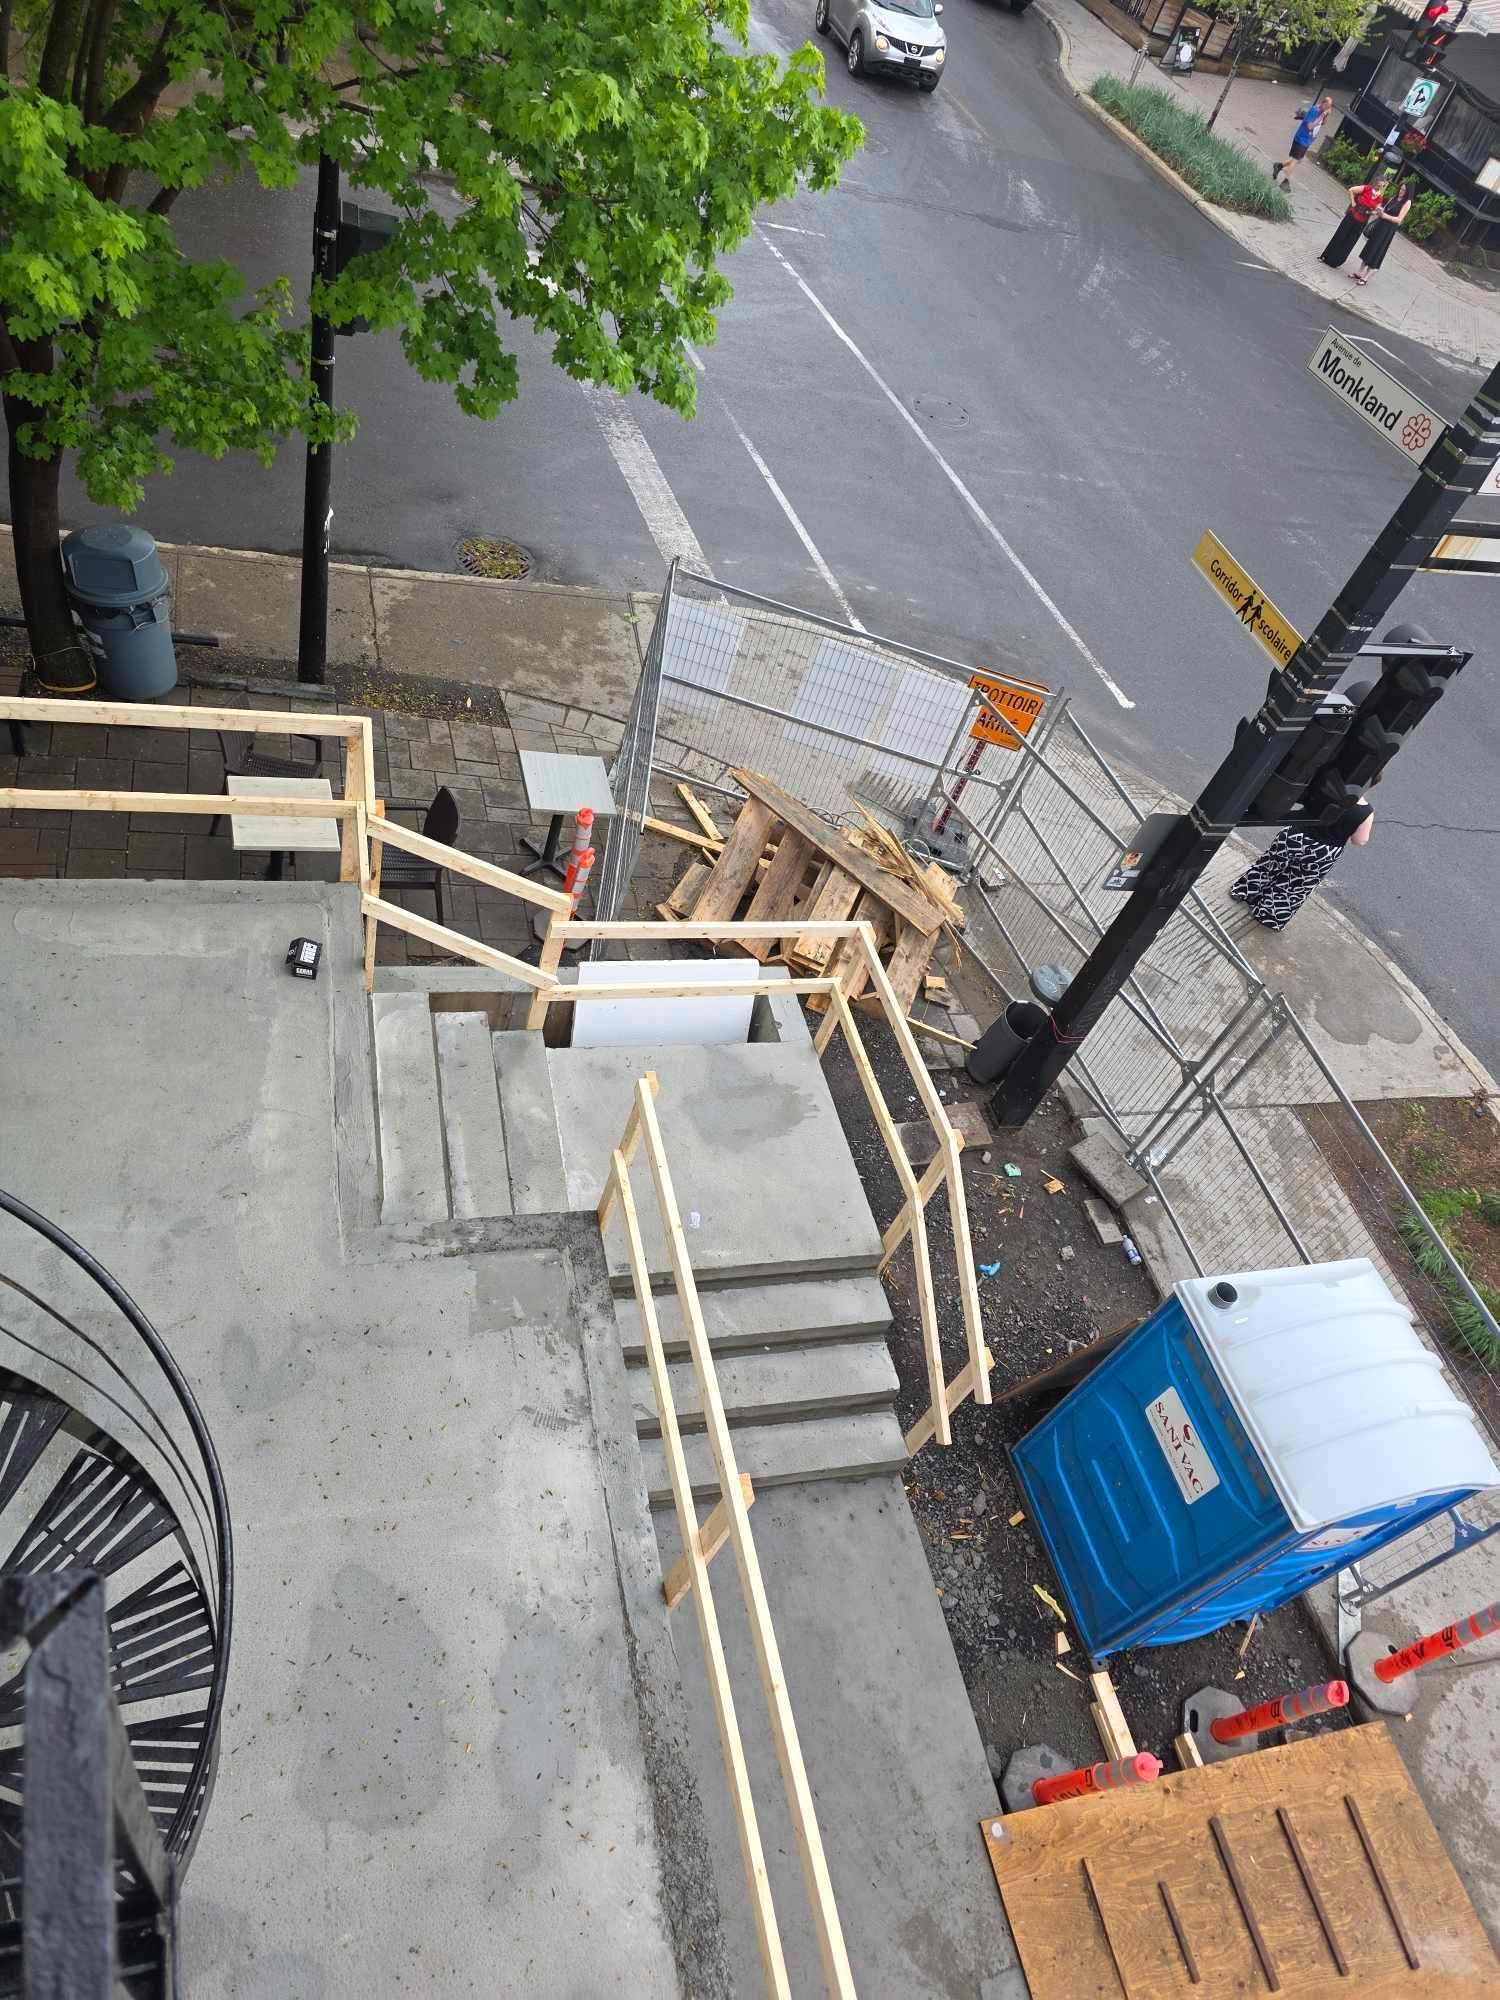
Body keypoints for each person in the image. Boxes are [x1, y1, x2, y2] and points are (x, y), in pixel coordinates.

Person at [1229, 798, 1374, 931]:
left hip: (1297, 834)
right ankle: (1269, 916)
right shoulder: (1365, 812)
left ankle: (1243, 891)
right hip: (1324, 852)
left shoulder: (1331, 790)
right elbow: (1359, 840)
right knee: (1296, 886)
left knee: (1269, 865)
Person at [1352, 179, 1414, 286]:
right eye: (1401, 189)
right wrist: (1376, 210)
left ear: (1408, 192)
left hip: (1388, 230)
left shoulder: (1407, 202)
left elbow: (1399, 220)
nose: (1401, 191)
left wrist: (1384, 216)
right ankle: (1359, 272)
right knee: (1369, 248)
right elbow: (1383, 209)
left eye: (1404, 190)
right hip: (1380, 225)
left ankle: (1366, 277)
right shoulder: (1393, 198)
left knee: (1377, 251)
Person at [1320, 178, 1385, 269]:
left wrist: (1375, 213)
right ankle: (1327, 257)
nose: (1380, 187)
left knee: (1349, 241)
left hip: (1362, 222)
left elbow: (1375, 211)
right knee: (1340, 236)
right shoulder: (1366, 188)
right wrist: (1353, 202)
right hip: (1352, 216)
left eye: (1382, 186)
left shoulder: (1380, 198)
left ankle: (1336, 261)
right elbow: (1351, 190)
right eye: (1379, 184)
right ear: (1375, 183)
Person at [1272, 95, 1333, 190]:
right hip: (1301, 139)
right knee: (1296, 160)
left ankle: (1279, 166)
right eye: (1327, 106)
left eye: (1329, 107)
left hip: (1307, 141)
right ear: (1323, 103)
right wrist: (1322, 115)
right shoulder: (1314, 111)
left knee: (1298, 160)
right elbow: (1310, 127)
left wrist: (1325, 115)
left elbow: (1323, 123)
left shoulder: (1322, 112)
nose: (1327, 108)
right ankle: (1285, 182)